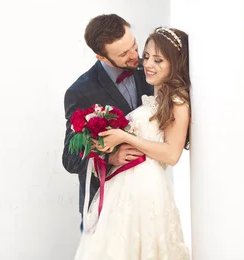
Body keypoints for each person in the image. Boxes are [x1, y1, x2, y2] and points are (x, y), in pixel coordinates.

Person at [74, 26, 191, 260]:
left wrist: (125, 136)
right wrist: (106, 150)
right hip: (123, 190)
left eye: (158, 60)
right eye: (146, 56)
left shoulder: (177, 101)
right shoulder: (156, 94)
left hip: (147, 189)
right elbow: (71, 156)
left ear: (174, 63)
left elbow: (171, 154)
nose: (146, 64)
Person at [62, 14, 154, 231]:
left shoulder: (150, 70)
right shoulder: (80, 92)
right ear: (100, 57)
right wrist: (109, 156)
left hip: (147, 197)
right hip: (105, 206)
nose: (135, 56)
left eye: (134, 45)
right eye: (124, 54)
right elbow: (70, 159)